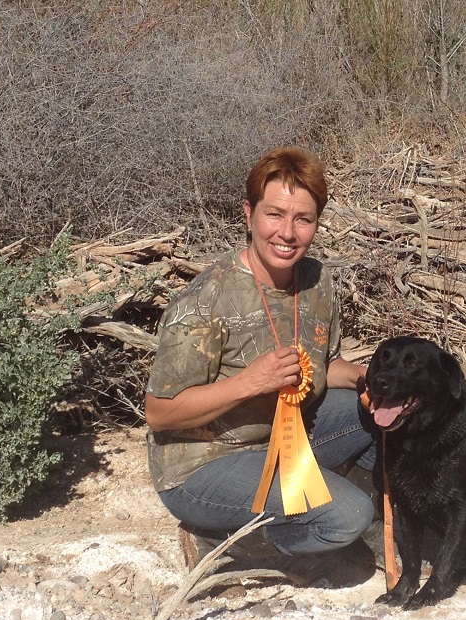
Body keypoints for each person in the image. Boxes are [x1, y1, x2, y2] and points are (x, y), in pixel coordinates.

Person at [144, 146, 379, 572]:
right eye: (274, 215)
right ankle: (227, 541)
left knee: (386, 418)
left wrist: (371, 378)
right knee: (348, 516)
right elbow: (160, 414)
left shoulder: (317, 281)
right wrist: (250, 383)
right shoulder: (205, 299)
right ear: (249, 214)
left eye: (302, 219)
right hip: (204, 463)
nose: (287, 233)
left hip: (284, 440)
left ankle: (384, 519)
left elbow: (327, 365)